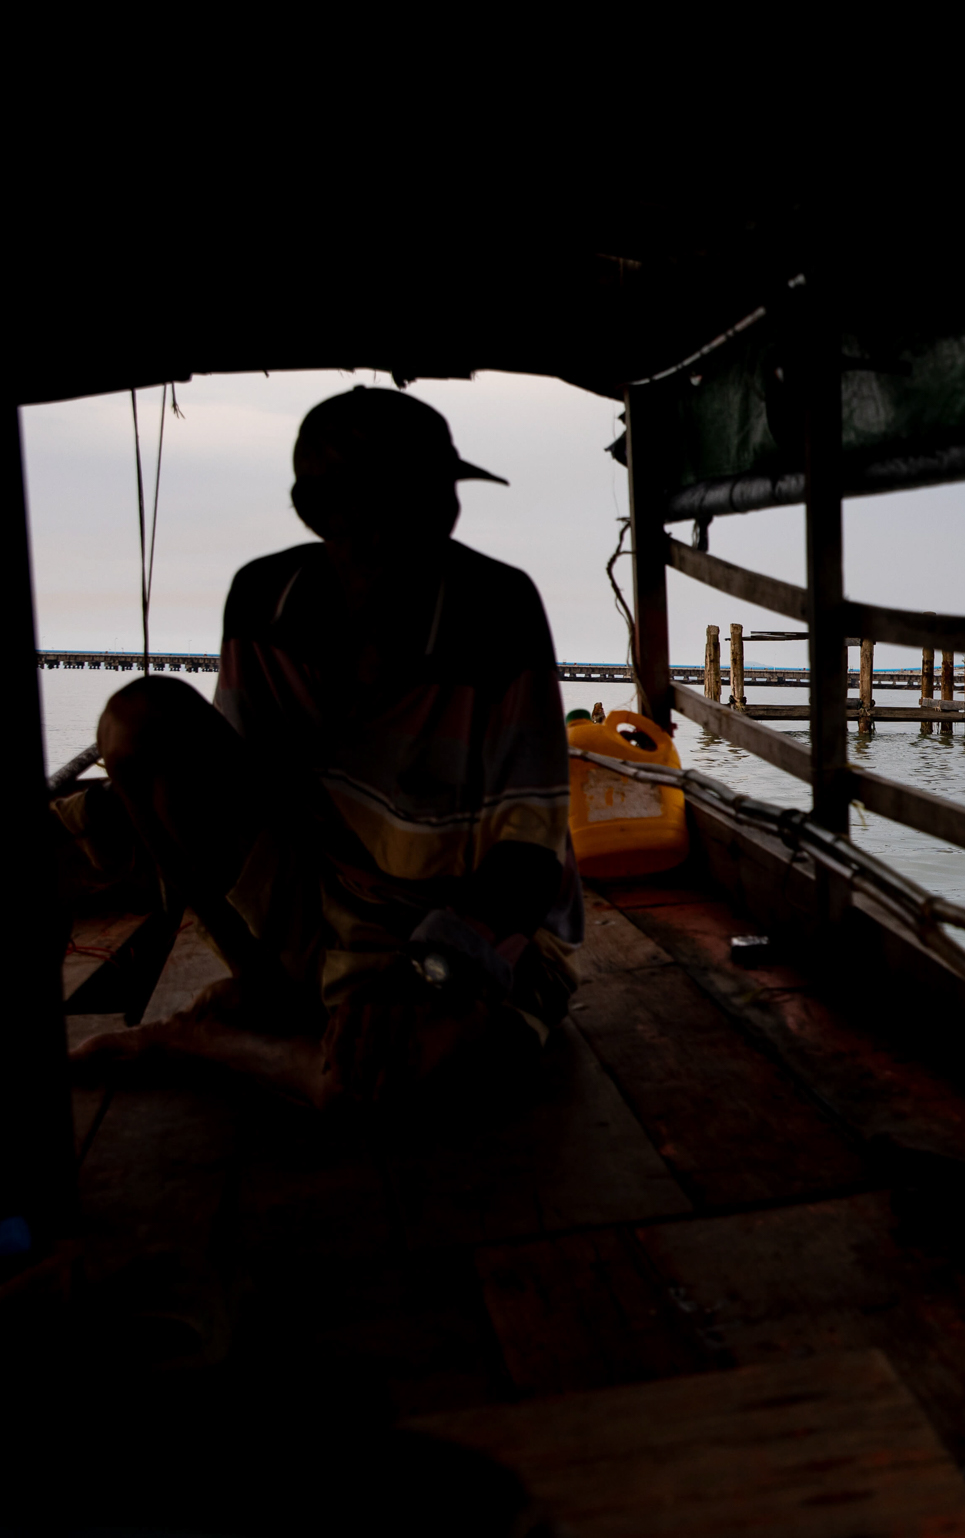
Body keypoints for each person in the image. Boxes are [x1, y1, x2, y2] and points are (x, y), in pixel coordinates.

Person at [59, 388, 582, 1108]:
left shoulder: (497, 612)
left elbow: (529, 863)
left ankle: (199, 1041)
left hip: (475, 929)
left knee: (364, 1083)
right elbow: (236, 791)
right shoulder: (265, 603)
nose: (430, 524)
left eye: (438, 499)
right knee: (136, 722)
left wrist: (418, 976)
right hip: (325, 908)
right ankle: (269, 992)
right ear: (318, 516)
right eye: (382, 506)